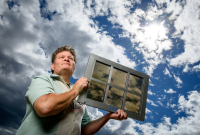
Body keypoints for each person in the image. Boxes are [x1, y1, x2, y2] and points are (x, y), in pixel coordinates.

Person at [16, 45, 127, 135]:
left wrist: (107, 116)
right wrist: (76, 90)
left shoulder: (81, 94)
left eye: (70, 59)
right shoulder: (42, 79)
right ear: (52, 66)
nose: (66, 59)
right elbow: (45, 107)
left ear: (73, 68)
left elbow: (84, 130)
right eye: (61, 57)